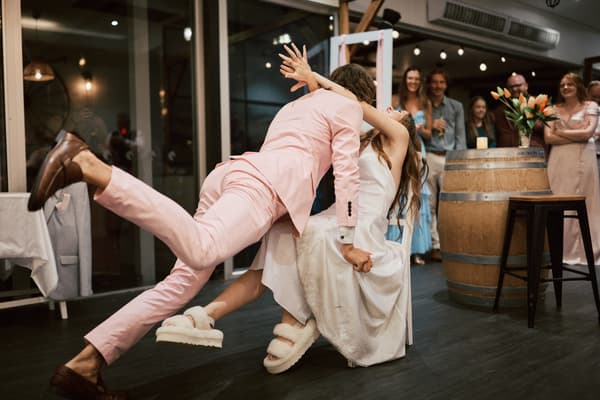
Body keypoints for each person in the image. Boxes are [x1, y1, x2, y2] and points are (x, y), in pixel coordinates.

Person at [29, 49, 376, 399]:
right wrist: (347, 240)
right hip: (262, 190)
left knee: (180, 283)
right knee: (201, 250)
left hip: (234, 177)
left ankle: (87, 363)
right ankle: (92, 167)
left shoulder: (296, 107)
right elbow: (346, 175)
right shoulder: (346, 106)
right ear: (361, 97)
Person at [158, 45, 423, 369]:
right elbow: (337, 114)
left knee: (307, 230)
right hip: (336, 218)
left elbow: (352, 104)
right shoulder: (361, 137)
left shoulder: (398, 139)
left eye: (397, 110)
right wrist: (314, 87)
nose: (391, 109)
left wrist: (315, 78)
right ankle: (211, 314)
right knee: (284, 236)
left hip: (364, 224)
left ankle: (295, 324)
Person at [544, 72, 600, 265]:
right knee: (557, 198)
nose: (565, 87)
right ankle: (557, 248)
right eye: (562, 85)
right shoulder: (552, 109)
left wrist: (562, 131)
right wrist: (577, 133)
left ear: (578, 86)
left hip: (583, 157)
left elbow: (588, 133)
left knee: (586, 200)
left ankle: (584, 250)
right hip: (559, 159)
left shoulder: (591, 106)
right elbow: (548, 138)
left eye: (570, 84)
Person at [388, 66, 432, 266]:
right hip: (399, 148)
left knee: (417, 196)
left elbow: (431, 133)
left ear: (420, 81)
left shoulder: (425, 103)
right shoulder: (396, 100)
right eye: (410, 78)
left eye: (416, 78)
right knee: (398, 195)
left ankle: (417, 250)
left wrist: (421, 129)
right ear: (405, 80)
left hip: (417, 148)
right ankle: (396, 244)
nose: (413, 82)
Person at [425, 68, 466, 261]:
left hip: (449, 157)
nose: (437, 86)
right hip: (430, 156)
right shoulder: (424, 106)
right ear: (429, 84)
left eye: (441, 82)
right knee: (430, 204)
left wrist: (459, 160)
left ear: (446, 85)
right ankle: (436, 245)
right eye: (434, 82)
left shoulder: (456, 106)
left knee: (450, 204)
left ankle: (452, 243)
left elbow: (460, 136)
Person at [493, 74, 545, 149]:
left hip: (534, 152)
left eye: (518, 85)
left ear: (526, 86)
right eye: (511, 87)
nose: (514, 89)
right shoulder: (500, 111)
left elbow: (547, 129)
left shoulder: (539, 103)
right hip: (507, 155)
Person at [587, 80, 600, 176]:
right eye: (594, 96)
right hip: (583, 155)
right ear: (587, 93)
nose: (597, 100)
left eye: (599, 97)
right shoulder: (579, 109)